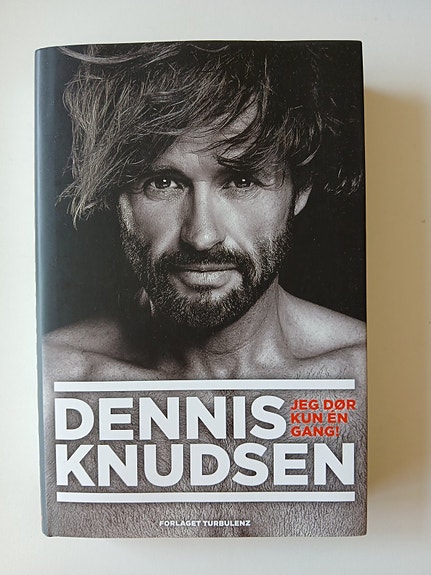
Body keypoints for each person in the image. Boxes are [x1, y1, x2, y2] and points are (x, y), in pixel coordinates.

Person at [41, 42, 366, 537]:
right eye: (163, 182)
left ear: (299, 190)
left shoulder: (366, 380)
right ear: (118, 196)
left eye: (241, 180)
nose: (202, 235)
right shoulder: (51, 388)